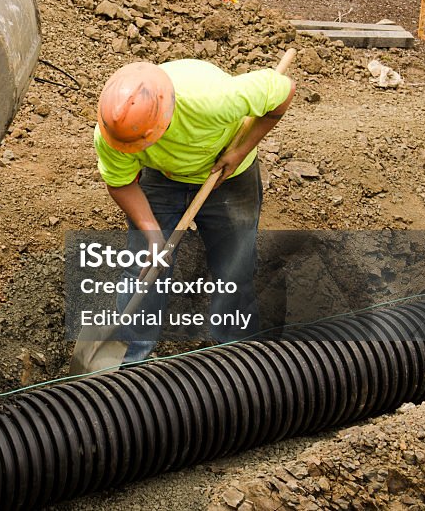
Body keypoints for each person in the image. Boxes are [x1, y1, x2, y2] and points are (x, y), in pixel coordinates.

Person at [94, 59, 295, 362]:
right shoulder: (115, 131)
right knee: (144, 269)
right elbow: (121, 183)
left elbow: (284, 91)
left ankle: (234, 353)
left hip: (228, 175)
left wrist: (239, 152)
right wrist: (153, 237)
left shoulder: (214, 99)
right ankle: (130, 362)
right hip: (162, 179)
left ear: (163, 123)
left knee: (233, 268)